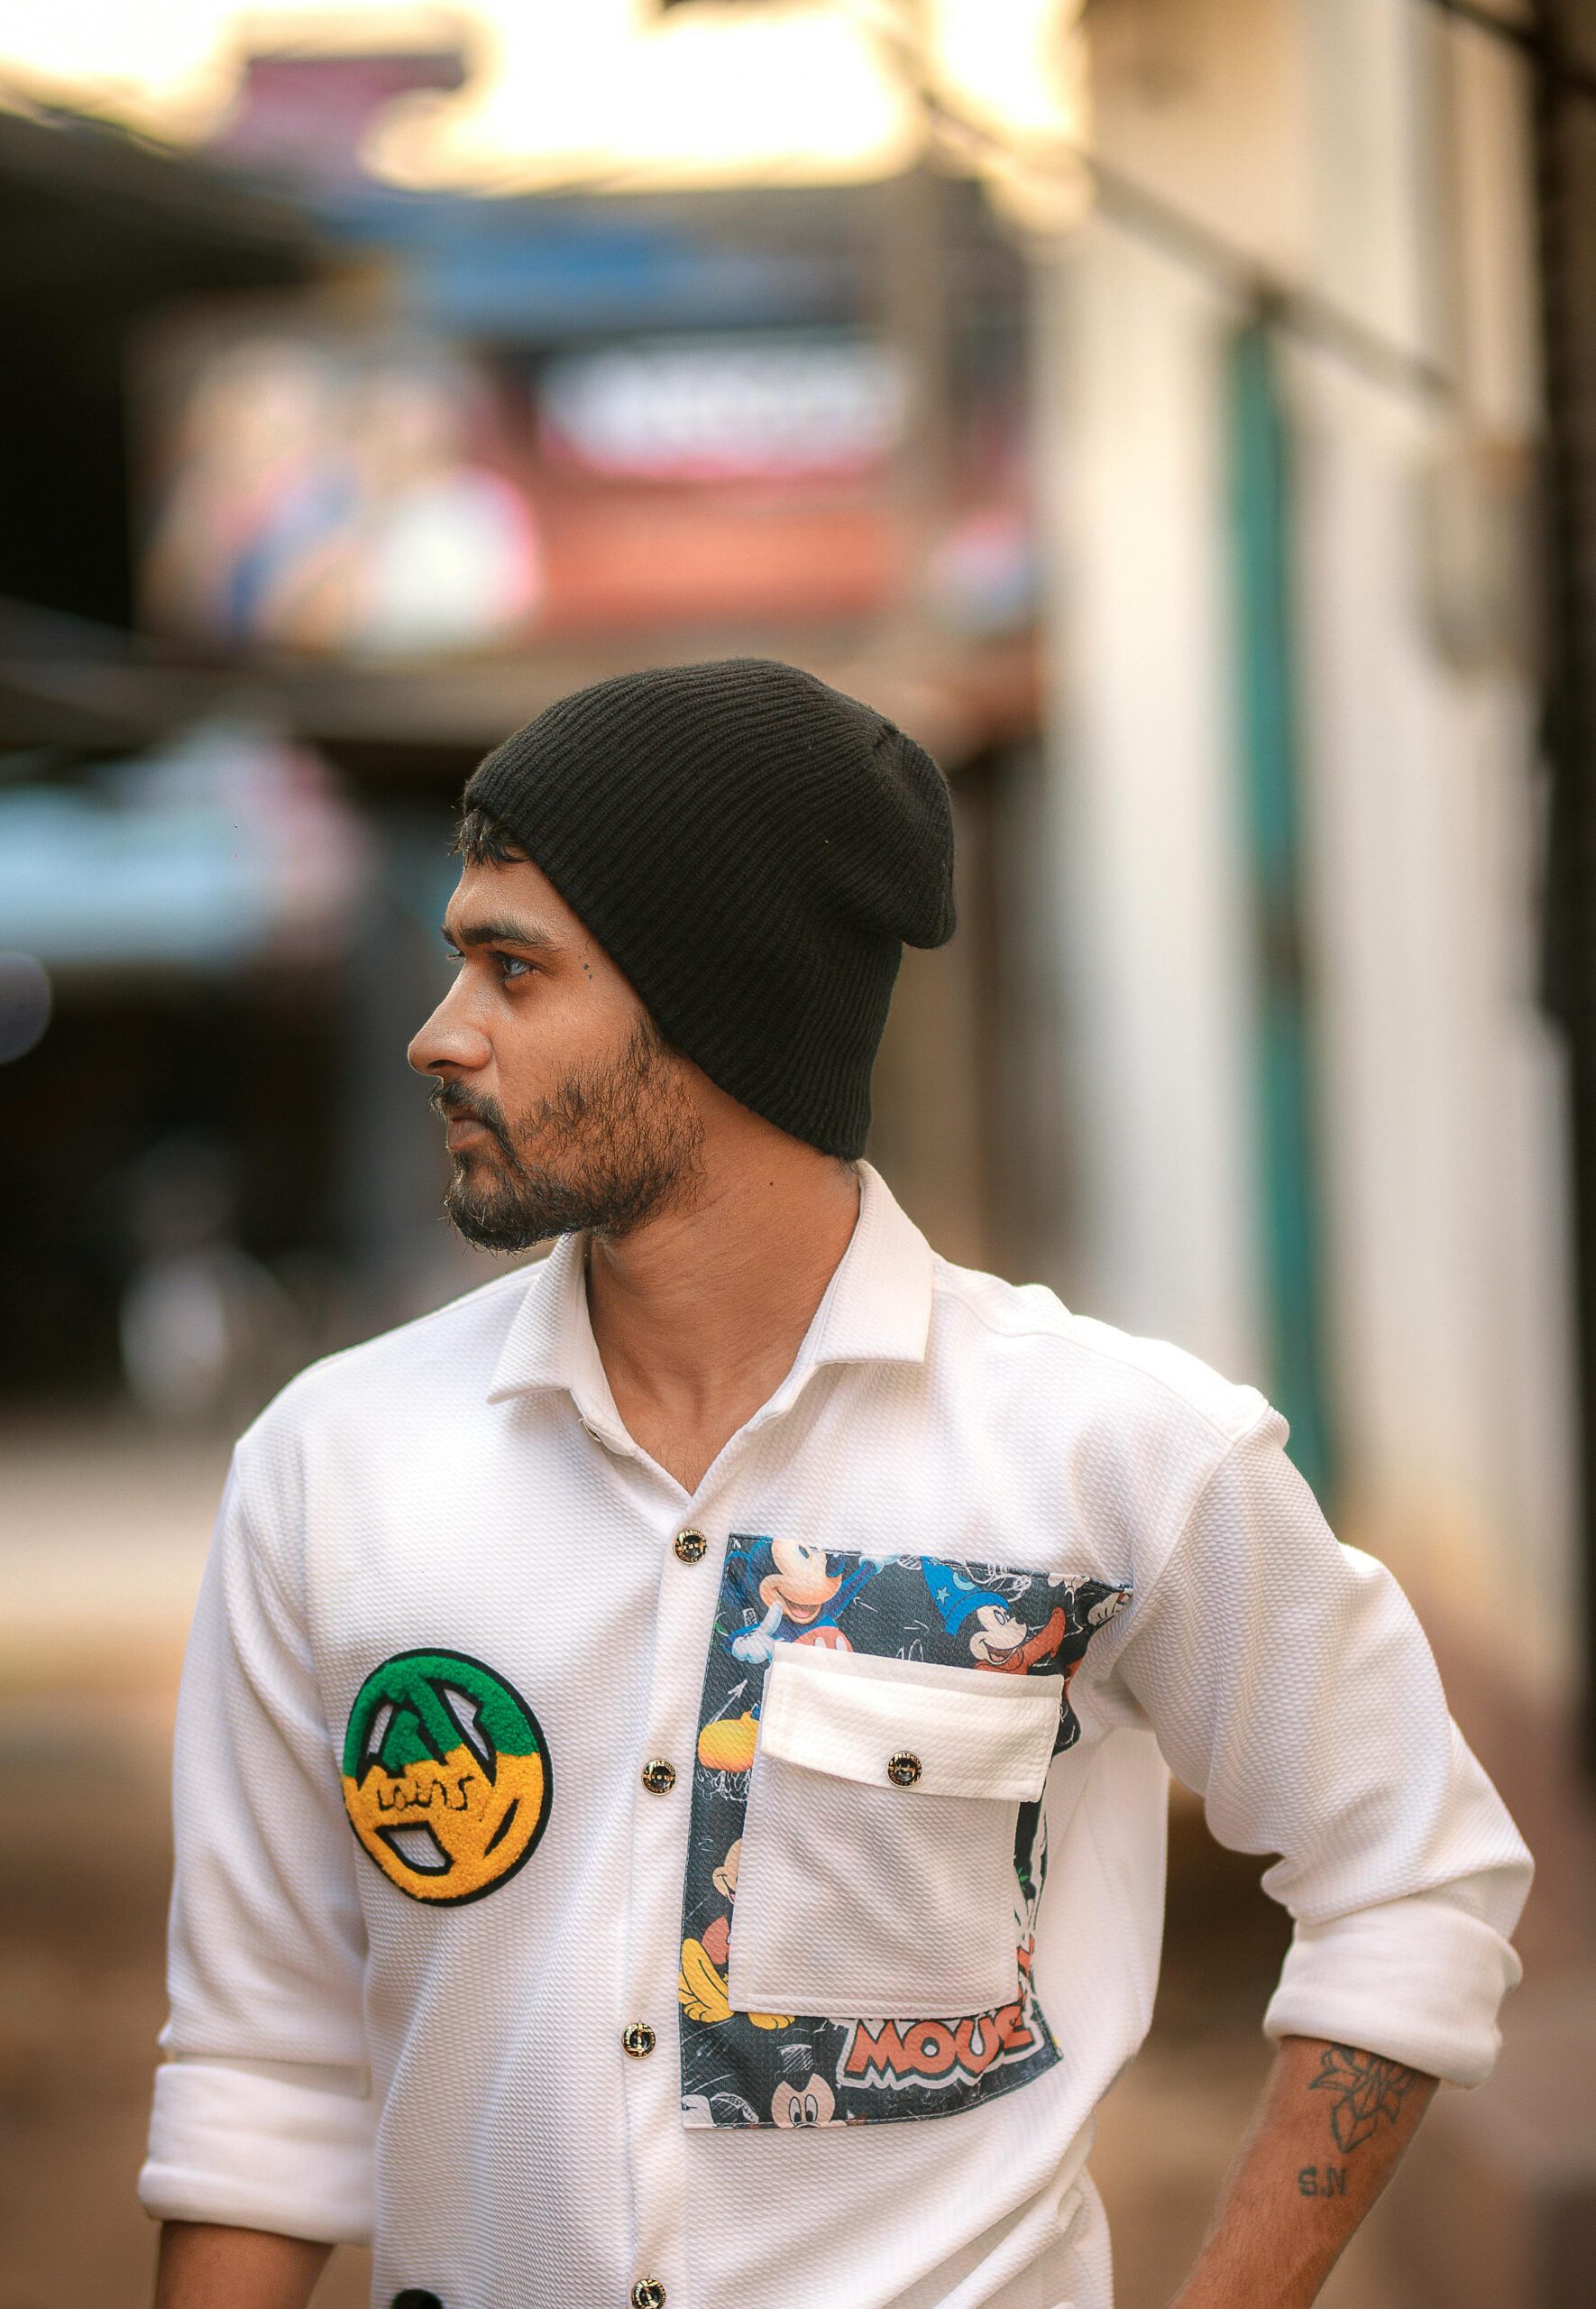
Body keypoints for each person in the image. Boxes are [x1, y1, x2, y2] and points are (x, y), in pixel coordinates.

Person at [141, 659, 1531, 2309]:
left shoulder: (1110, 1454)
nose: (441, 1036)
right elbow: (260, 2066)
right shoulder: (334, 1466)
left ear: (721, 1004)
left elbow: (1413, 1874)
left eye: (515, 970)